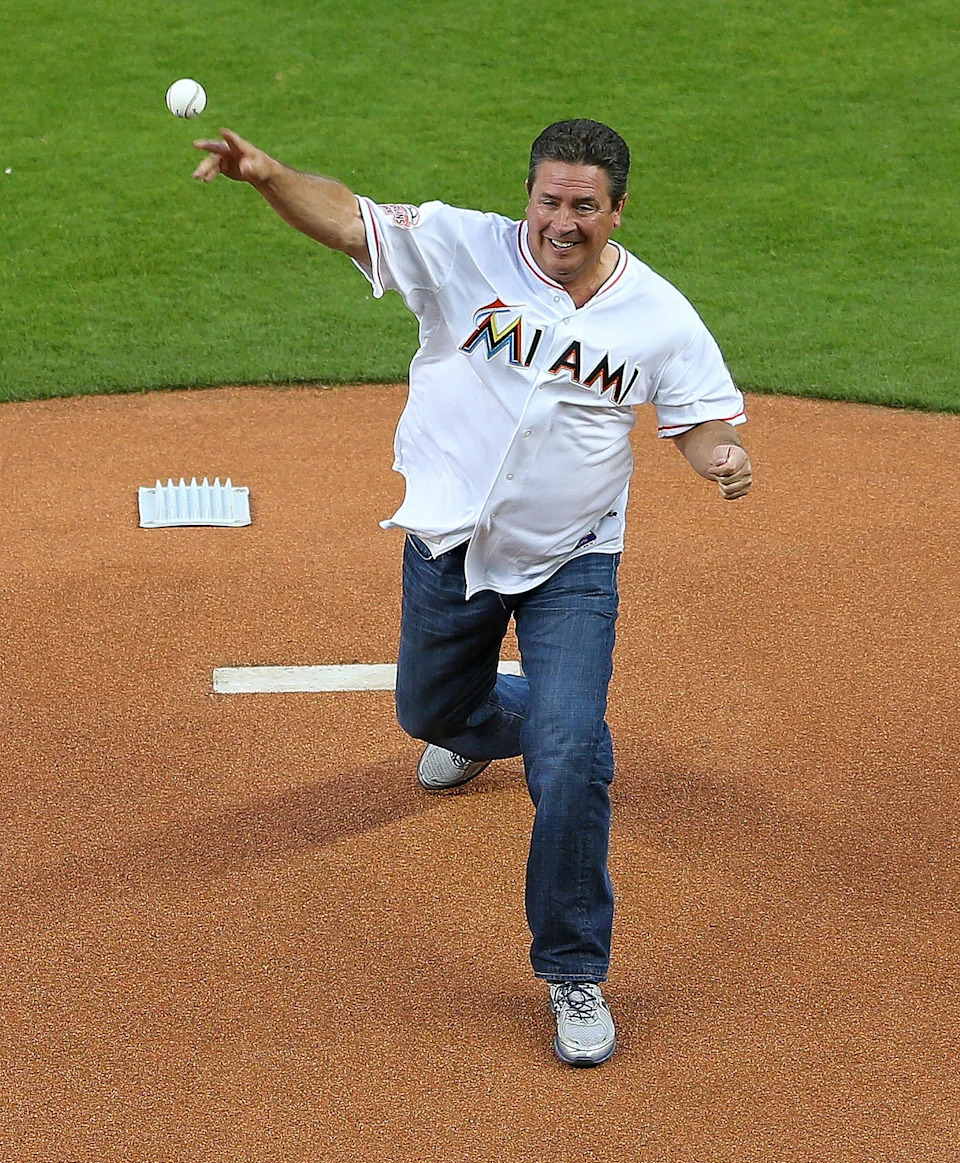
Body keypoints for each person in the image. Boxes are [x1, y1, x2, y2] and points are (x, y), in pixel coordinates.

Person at [192, 119, 753, 1067]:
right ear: (527, 196)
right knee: (432, 712)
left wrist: (723, 459)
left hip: (575, 558)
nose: (563, 221)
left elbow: (701, 421)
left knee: (568, 758)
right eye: (550, 200)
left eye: (584, 205)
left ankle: (573, 968)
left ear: (617, 210)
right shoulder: (461, 247)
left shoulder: (658, 315)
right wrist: (268, 175)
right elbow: (350, 221)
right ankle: (524, 724)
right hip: (449, 542)